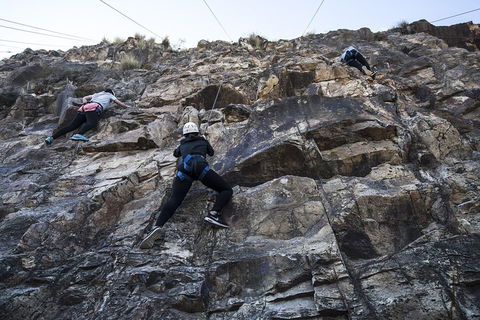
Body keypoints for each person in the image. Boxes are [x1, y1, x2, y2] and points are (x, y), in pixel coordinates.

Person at [140, 122, 233, 249]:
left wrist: (184, 144)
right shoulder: (203, 140)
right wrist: (204, 140)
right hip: (201, 169)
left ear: (184, 134)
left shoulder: (182, 144)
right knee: (226, 190)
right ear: (196, 132)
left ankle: (157, 226)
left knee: (174, 199)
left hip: (184, 171)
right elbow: (211, 153)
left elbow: (175, 154)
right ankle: (213, 214)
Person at [44, 88, 129, 143]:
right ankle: (79, 134)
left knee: (71, 126)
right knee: (92, 123)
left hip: (83, 108)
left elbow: (84, 97)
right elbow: (118, 103)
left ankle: (51, 138)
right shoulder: (110, 95)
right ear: (112, 93)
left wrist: (86, 104)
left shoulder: (96, 94)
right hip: (94, 107)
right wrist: (127, 106)